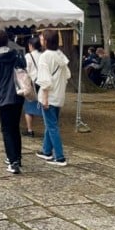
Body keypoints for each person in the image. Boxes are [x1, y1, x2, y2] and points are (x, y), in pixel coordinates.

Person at [0, 29, 27, 174]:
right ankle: (17, 157)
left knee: (6, 129)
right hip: (18, 94)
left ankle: (13, 161)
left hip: (3, 96)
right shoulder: (16, 54)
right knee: (15, 127)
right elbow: (23, 69)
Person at [35, 30, 71, 167]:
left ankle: (60, 156)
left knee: (52, 126)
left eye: (42, 37)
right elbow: (67, 75)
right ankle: (46, 150)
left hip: (49, 96)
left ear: (46, 40)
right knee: (51, 124)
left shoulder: (45, 56)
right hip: (59, 94)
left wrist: (44, 99)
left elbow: (45, 80)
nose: (40, 39)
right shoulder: (60, 54)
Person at [22, 36, 43, 138]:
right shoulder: (44, 55)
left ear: (31, 45)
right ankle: (47, 129)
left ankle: (30, 130)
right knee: (44, 107)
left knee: (29, 108)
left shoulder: (28, 56)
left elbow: (26, 71)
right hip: (43, 84)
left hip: (32, 84)